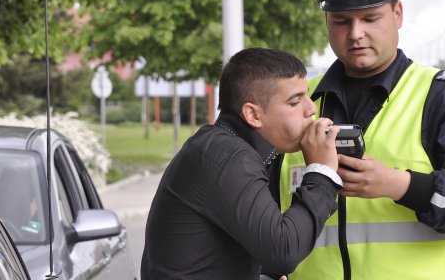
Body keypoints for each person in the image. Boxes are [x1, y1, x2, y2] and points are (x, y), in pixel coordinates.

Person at [278, 0, 445, 280]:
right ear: (326, 21)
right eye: (341, 21)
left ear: (397, 13)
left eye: (370, 18)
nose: (355, 33)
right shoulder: (299, 100)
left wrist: (399, 185)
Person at [141, 47, 343, 279]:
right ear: (253, 115)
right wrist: (322, 172)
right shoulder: (230, 157)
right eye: (295, 102)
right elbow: (283, 252)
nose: (311, 109)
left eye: (307, 95)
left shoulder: (223, 146)